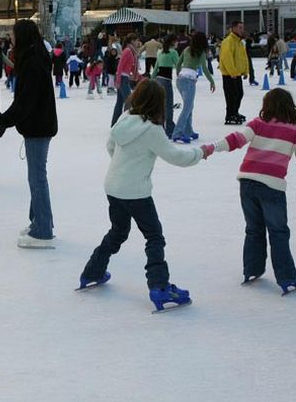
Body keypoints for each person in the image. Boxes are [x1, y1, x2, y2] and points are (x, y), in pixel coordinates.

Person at [78, 80, 205, 311]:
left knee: (117, 232)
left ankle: (92, 271)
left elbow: (110, 146)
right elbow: (175, 156)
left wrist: (122, 169)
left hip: (113, 187)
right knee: (154, 237)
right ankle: (159, 286)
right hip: (136, 192)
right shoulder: (152, 129)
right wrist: (201, 153)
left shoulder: (125, 117)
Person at [201, 88, 296, 294]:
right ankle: (288, 277)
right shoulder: (294, 131)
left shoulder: (257, 123)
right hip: (272, 187)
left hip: (247, 183)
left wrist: (212, 147)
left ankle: (252, 269)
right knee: (278, 232)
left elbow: (236, 139)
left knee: (253, 229)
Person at [0, 19, 58, 249]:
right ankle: (38, 220)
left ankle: (43, 230)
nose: (11, 39)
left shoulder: (32, 62)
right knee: (36, 177)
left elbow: (25, 101)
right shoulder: (33, 56)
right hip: (39, 124)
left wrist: (2, 123)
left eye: (14, 35)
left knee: (37, 177)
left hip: (38, 125)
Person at [171, 31, 215, 143]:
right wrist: (212, 81)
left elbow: (178, 64)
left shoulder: (186, 49)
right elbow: (204, 69)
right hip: (189, 81)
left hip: (181, 79)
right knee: (187, 108)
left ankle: (188, 131)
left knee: (189, 106)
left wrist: (179, 75)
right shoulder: (201, 52)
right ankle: (178, 133)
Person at [219, 21, 249, 125]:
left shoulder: (239, 42)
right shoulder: (228, 41)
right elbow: (227, 58)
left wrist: (245, 71)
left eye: (242, 27)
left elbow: (243, 58)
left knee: (239, 94)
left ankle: (235, 112)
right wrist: (233, 72)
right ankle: (230, 114)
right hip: (229, 75)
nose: (242, 30)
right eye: (240, 28)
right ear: (234, 28)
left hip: (237, 74)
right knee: (231, 95)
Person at [149, 34, 178, 139]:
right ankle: (170, 129)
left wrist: (151, 81)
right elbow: (178, 64)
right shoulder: (173, 52)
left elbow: (156, 68)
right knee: (169, 105)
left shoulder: (160, 52)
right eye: (176, 41)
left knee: (160, 105)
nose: (177, 43)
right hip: (166, 81)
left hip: (158, 80)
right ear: (173, 42)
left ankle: (160, 127)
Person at [111, 34, 143, 127]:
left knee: (120, 102)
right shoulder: (128, 51)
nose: (138, 42)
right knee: (129, 102)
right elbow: (120, 65)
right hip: (122, 78)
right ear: (132, 41)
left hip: (125, 78)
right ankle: (126, 124)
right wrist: (118, 80)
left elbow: (131, 66)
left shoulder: (131, 51)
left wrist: (136, 75)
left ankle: (115, 124)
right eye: (137, 40)